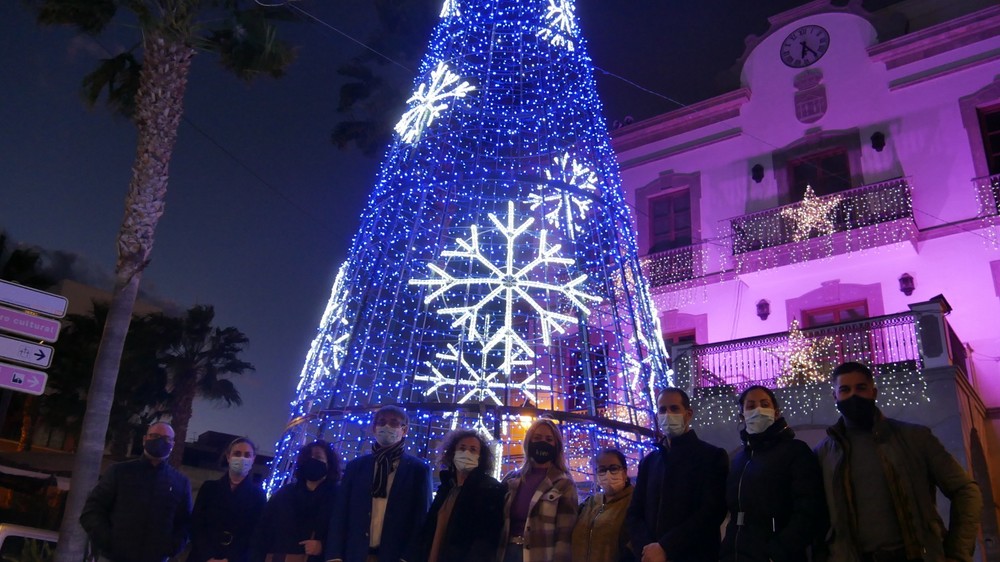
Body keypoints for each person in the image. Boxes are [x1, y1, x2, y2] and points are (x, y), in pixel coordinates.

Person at [815, 362, 982, 562]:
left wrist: (957, 553)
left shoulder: (915, 438)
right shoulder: (823, 453)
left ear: (873, 392)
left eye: (861, 388)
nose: (853, 395)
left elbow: (965, 490)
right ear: (835, 396)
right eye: (845, 390)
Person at [719, 385, 826, 562]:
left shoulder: (795, 451)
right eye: (751, 406)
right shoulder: (740, 459)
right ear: (742, 416)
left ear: (776, 412)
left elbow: (809, 509)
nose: (758, 410)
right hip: (738, 554)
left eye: (764, 404)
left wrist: (777, 551)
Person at [625, 387, 728, 562]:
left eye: (674, 408)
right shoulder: (649, 462)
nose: (668, 414)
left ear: (688, 414)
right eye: (662, 410)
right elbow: (635, 512)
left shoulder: (712, 457)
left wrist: (666, 547)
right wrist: (648, 549)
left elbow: (711, 512)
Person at [326, 405, 432, 562]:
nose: (386, 426)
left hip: (395, 556)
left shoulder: (418, 470)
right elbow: (340, 513)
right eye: (381, 422)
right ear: (373, 428)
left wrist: (408, 557)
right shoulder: (356, 467)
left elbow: (420, 519)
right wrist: (334, 555)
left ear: (404, 430)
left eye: (394, 422)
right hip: (355, 554)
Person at [80, 421, 192, 562]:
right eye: (155, 436)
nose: (160, 441)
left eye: (166, 438)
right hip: (114, 557)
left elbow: (185, 523)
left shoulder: (180, 482)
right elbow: (92, 510)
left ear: (173, 445)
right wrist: (108, 541)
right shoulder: (120, 472)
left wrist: (172, 547)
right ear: (145, 440)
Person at [413, 429, 505, 562]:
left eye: (473, 450)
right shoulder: (446, 487)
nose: (466, 453)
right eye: (462, 448)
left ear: (481, 457)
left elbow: (486, 539)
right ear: (453, 452)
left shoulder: (490, 489)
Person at [499, 418, 578, 562]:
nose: (543, 443)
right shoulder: (511, 480)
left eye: (549, 439)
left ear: (557, 446)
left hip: (540, 555)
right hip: (506, 553)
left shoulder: (564, 484)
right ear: (529, 442)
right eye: (537, 438)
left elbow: (564, 536)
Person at [254, 440, 339, 562]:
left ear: (329, 464)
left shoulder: (338, 497)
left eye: (318, 457)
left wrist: (322, 546)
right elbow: (262, 531)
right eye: (307, 458)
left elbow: (345, 534)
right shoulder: (284, 493)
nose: (312, 461)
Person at [190, 437, 267, 562]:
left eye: (247, 455)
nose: (242, 458)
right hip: (202, 557)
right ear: (228, 456)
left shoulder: (258, 495)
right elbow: (196, 523)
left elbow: (255, 534)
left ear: (253, 459)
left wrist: (231, 559)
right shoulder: (209, 488)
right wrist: (207, 556)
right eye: (237, 453)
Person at [571, 448, 635, 562]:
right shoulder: (590, 503)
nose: (608, 474)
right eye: (602, 470)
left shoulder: (634, 502)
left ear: (625, 472)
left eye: (614, 468)